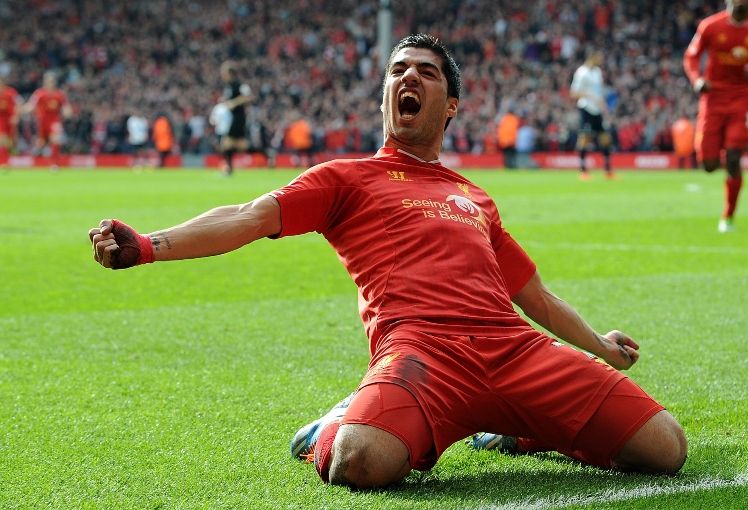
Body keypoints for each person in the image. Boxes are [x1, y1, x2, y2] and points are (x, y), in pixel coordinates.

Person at [88, 34, 687, 489]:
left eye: (426, 73)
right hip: (422, 354)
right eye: (398, 70)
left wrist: (602, 349)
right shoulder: (345, 179)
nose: (409, 78)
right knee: (358, 461)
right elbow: (245, 217)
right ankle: (333, 424)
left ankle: (520, 431)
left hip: (514, 349)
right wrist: (147, 245)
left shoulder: (474, 197)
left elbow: (537, 299)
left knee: (665, 450)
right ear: (386, 96)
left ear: (449, 105)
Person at [683, 0, 748, 233]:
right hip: (713, 98)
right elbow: (691, 57)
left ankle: (728, 216)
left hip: (743, 100)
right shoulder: (710, 26)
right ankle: (725, 164)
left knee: (734, 157)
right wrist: (697, 80)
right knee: (708, 165)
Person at [570, 50, 614, 180]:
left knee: (605, 138)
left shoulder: (597, 72)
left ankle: (608, 171)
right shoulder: (581, 72)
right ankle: (583, 171)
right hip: (586, 108)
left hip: (597, 109)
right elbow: (574, 93)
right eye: (599, 57)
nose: (601, 60)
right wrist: (591, 96)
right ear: (592, 57)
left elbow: (598, 92)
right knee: (585, 138)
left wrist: (603, 106)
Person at [23, 71, 72, 167]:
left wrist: (67, 111)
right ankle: (35, 158)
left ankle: (54, 164)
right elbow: (31, 105)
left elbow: (66, 106)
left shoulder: (59, 94)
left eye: (52, 81)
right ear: (44, 82)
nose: (50, 83)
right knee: (40, 144)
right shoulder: (39, 93)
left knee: (56, 139)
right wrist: (24, 109)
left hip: (54, 121)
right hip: (42, 122)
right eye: (48, 81)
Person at [218, 61, 253, 175]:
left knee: (226, 143)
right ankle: (266, 154)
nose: (222, 75)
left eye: (224, 72)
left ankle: (228, 169)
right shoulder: (229, 86)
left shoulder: (239, 85)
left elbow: (248, 97)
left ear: (230, 73)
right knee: (241, 145)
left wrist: (233, 103)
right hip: (232, 118)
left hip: (238, 118)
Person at [0, 76, 21, 164]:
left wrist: (16, 116)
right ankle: (3, 161)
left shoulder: (11, 92)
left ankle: (8, 158)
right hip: (1, 118)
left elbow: (19, 104)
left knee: (11, 141)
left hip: (10, 119)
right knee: (2, 139)